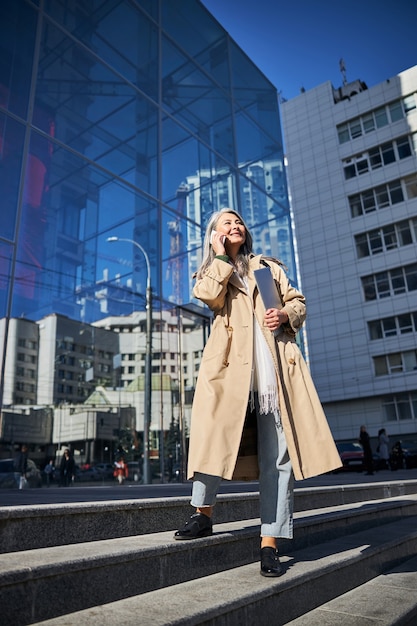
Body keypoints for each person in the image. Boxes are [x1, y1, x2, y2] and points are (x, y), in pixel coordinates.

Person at [174, 208, 341, 577]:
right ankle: (202, 514)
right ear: (215, 235)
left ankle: (270, 542)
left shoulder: (267, 267)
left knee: (278, 458)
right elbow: (208, 296)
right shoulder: (211, 270)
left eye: (238, 222)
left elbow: (298, 302)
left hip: (273, 371)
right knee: (211, 439)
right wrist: (220, 256)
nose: (235, 226)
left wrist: (284, 315)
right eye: (225, 223)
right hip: (229, 371)